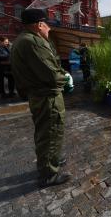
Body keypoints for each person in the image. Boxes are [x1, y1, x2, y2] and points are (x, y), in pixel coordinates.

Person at [11, 9, 72, 187]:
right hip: (47, 97)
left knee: (50, 131)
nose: (49, 29)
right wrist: (66, 77)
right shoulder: (33, 42)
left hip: (41, 95)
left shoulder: (24, 39)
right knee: (50, 133)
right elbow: (51, 75)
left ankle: (53, 160)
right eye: (47, 25)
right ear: (39, 25)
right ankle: (48, 174)